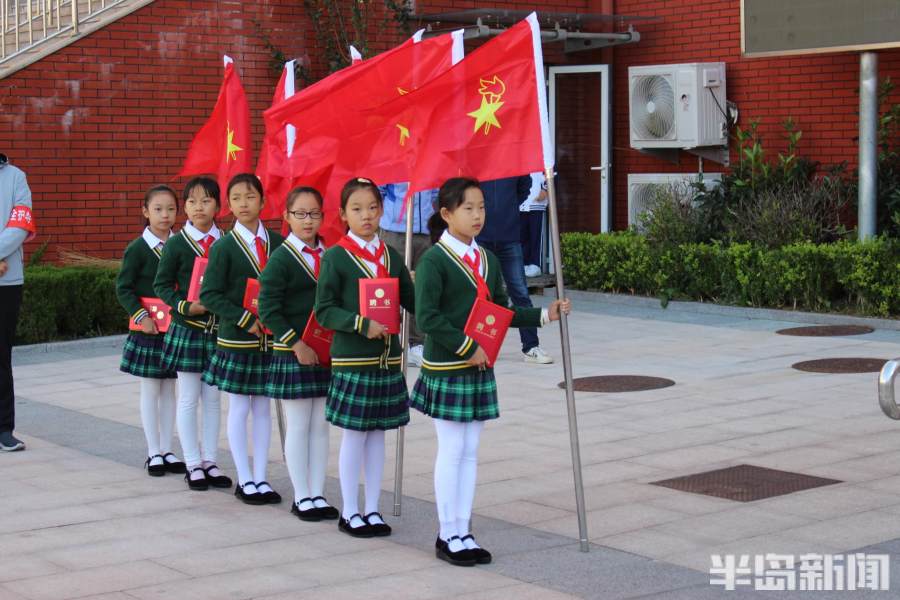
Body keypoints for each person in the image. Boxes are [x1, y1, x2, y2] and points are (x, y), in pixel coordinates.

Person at [411, 177, 571, 566]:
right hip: (449, 366)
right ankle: (447, 532)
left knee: (470, 452)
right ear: (446, 214)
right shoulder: (433, 260)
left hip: (479, 365)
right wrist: (468, 348)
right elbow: (428, 317)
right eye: (468, 208)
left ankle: (463, 529)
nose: (478, 215)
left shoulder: (488, 258)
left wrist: (544, 316)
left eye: (481, 207)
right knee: (451, 450)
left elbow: (503, 311)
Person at [315, 177, 415, 538]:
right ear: (343, 214)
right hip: (354, 360)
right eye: (357, 209)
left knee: (378, 437)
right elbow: (324, 310)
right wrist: (359, 323)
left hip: (387, 360)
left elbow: (411, 298)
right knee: (355, 436)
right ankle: (350, 510)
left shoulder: (390, 255)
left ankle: (373, 508)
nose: (367, 216)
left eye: (373, 207)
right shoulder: (337, 258)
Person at [201, 173, 284, 506]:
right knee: (239, 407)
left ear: (263, 201)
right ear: (228, 205)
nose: (243, 204)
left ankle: (262, 476)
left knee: (263, 408)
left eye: (250, 197)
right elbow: (210, 295)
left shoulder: (279, 244)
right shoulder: (223, 247)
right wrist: (244, 318)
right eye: (236, 198)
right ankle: (244, 478)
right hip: (237, 339)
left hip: (271, 340)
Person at [259, 186, 338, 522]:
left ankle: (318, 492)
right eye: (300, 214)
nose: (308, 221)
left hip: (326, 352)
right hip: (293, 352)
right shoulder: (281, 258)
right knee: (299, 425)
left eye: (314, 214)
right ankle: (301, 495)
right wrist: (297, 344)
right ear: (287, 217)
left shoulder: (331, 254)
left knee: (321, 426)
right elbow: (268, 309)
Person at [153, 177, 231, 491]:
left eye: (206, 201)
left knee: (213, 399)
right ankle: (192, 463)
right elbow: (161, 286)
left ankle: (210, 460)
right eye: (193, 202)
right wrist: (184, 306)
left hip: (219, 331)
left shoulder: (226, 241)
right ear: (185, 206)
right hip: (188, 327)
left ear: (217, 206)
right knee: (188, 398)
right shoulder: (176, 243)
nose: (200, 208)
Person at [116, 185, 184, 475]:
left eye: (170, 209)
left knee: (170, 390)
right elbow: (123, 288)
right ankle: (153, 451)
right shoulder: (137, 249)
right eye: (158, 209)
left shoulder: (180, 245)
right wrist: (141, 315)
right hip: (147, 329)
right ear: (145, 212)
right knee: (150, 390)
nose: (165, 215)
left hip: (173, 328)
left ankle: (168, 450)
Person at [476, 176, 553, 364]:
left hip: (509, 237)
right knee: (482, 295)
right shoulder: (479, 159)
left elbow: (524, 187)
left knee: (519, 291)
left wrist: (508, 209)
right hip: (481, 237)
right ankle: (482, 347)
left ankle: (530, 347)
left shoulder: (511, 160)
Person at [377, 182, 438, 367]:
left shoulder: (431, 157)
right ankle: (387, 340)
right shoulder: (394, 156)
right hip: (395, 230)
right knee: (389, 288)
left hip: (426, 231)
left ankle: (416, 344)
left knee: (420, 287)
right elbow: (379, 191)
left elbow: (437, 192)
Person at [0, 153, 34, 452]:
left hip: (6, 281)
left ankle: (3, 429)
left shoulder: (15, 177)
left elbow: (20, 224)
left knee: (1, 356)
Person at [519, 172, 547, 278]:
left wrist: (545, 189)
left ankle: (536, 264)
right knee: (522, 235)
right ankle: (524, 264)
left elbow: (551, 172)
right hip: (521, 203)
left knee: (535, 235)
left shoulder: (542, 155)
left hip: (536, 202)